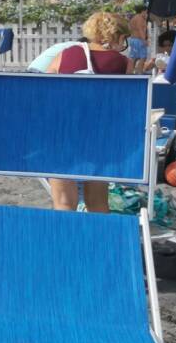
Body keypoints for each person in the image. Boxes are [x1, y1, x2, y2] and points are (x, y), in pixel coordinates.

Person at [46, 12, 131, 213]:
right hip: (99, 139)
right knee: (98, 203)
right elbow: (126, 105)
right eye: (124, 40)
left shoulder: (66, 54)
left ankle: (65, 244)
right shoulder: (122, 62)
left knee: (64, 203)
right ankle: (98, 243)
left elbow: (45, 93)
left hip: (62, 136)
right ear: (117, 37)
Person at [128, 3, 149, 74]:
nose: (146, 13)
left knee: (134, 57)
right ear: (142, 11)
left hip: (133, 39)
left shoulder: (133, 18)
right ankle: (139, 71)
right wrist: (144, 40)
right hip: (138, 40)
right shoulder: (140, 18)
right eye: (146, 11)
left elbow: (130, 29)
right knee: (143, 57)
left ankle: (130, 72)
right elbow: (140, 29)